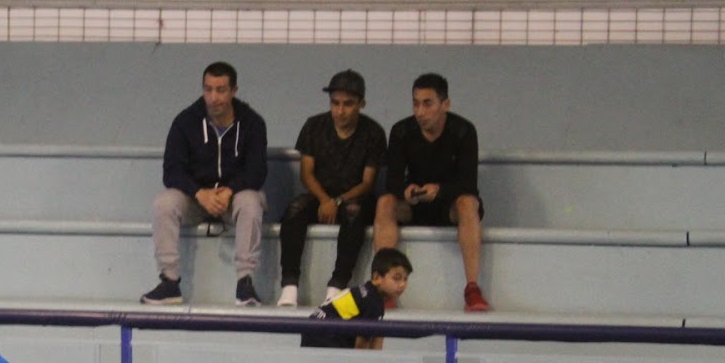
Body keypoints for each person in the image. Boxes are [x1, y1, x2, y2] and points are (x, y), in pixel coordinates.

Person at [140, 61, 269, 306]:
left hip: (233, 199)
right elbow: (172, 171)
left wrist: (229, 191)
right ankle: (169, 282)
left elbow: (257, 171)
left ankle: (245, 282)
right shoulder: (185, 122)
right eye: (208, 89)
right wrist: (200, 193)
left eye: (221, 90)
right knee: (164, 203)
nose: (213, 97)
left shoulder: (252, 123)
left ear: (234, 91)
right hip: (197, 200)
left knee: (251, 201)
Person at [372, 74, 491, 312]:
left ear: (445, 104)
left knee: (469, 203)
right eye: (416, 104)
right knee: (385, 202)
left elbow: (468, 183)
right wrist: (405, 190)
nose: (420, 112)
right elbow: (393, 180)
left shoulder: (464, 131)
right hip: (415, 205)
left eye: (427, 104)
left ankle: (472, 288)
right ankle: (383, 289)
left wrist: (440, 190)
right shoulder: (401, 131)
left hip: (448, 205)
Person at [278, 70, 386, 308]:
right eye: (335, 103)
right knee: (295, 209)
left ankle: (337, 286)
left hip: (355, 197)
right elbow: (306, 173)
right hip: (320, 195)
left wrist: (337, 201)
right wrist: (325, 200)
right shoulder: (314, 125)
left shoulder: (373, 132)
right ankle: (289, 286)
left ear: (361, 104)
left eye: (348, 104)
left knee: (354, 213)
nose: (340, 110)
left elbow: (367, 183)